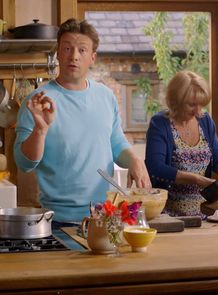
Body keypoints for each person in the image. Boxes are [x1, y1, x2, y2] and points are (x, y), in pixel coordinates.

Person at [14, 18, 151, 228]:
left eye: (82, 50)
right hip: (56, 220)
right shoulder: (38, 101)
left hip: (102, 217)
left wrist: (134, 160)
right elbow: (24, 163)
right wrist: (40, 130)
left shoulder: (106, 96)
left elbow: (116, 143)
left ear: (92, 57)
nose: (74, 56)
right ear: (58, 53)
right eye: (67, 48)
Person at [145, 70, 218, 218]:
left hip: (203, 215)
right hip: (168, 216)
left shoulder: (205, 120)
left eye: (201, 104)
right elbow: (155, 167)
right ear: (175, 101)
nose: (197, 111)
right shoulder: (160, 123)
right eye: (191, 105)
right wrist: (196, 179)